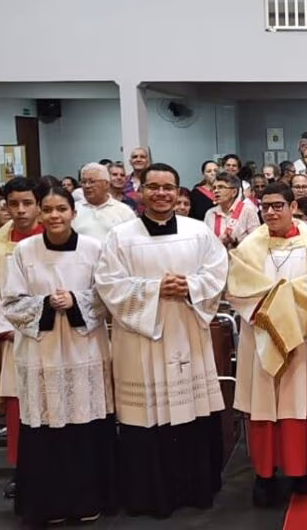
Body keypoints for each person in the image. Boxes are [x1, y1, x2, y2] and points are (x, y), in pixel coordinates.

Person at [95, 162, 228, 518]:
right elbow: (108, 284)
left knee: (190, 416)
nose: (161, 194)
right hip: (143, 340)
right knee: (148, 418)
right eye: (153, 187)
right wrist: (155, 289)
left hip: (186, 330)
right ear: (140, 191)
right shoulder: (120, 237)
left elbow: (217, 272)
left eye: (168, 187)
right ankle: (150, 494)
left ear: (178, 192)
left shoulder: (198, 232)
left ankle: (195, 489)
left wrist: (189, 286)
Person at [1, 187, 115, 525]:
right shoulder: (23, 251)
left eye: (61, 209)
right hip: (42, 353)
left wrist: (77, 301)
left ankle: (87, 500)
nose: (54, 216)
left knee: (86, 425)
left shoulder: (95, 249)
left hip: (85, 350)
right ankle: (46, 503)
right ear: (39, 213)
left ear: (73, 213)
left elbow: (109, 296)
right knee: (45, 428)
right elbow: (9, 301)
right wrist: (46, 304)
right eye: (47, 209)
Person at [228, 183, 307, 507]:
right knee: (263, 409)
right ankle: (264, 475)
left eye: (278, 205)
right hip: (261, 337)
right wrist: (279, 303)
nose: (270, 212)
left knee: (298, 407)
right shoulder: (250, 246)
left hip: (299, 339)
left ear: (293, 206)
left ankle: (299, 471)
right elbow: (239, 288)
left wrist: (282, 303)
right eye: (265, 207)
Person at [0, 176, 45, 499]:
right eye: (13, 203)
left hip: (56, 334)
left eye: (27, 203)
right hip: (14, 335)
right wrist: (5, 327)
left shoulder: (53, 236)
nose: (20, 210)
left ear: (39, 204)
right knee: (17, 406)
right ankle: (22, 469)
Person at [72, 163, 136, 241]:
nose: (87, 186)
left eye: (92, 182)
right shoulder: (73, 210)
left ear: (106, 184)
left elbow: (133, 242)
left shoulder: (124, 211)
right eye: (83, 182)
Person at [204, 172, 260, 250]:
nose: (216, 191)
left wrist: (235, 243)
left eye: (221, 187)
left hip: (241, 259)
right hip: (217, 260)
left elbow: (257, 241)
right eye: (214, 188)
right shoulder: (210, 213)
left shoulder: (248, 210)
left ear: (234, 192)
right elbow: (206, 242)